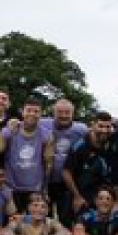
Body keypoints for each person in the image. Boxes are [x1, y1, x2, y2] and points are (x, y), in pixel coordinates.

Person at [0, 98, 54, 211]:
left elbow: (49, 164)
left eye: (36, 111)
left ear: (41, 114)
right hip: (11, 188)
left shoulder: (46, 135)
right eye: (28, 110)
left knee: (32, 224)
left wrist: (45, 189)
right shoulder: (9, 131)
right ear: (22, 112)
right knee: (11, 222)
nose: (32, 113)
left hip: (35, 189)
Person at [63, 112, 118, 213]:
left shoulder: (112, 142)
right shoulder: (80, 146)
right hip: (82, 196)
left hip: (104, 199)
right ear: (93, 125)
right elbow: (66, 172)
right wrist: (77, 196)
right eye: (100, 126)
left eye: (107, 127)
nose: (104, 130)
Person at [46, 98, 88, 228]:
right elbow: (22, 123)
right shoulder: (44, 124)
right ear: (53, 112)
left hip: (68, 183)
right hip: (46, 181)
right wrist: (13, 122)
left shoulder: (81, 129)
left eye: (67, 112)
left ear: (73, 113)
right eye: (60, 112)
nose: (63, 115)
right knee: (44, 218)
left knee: (65, 218)